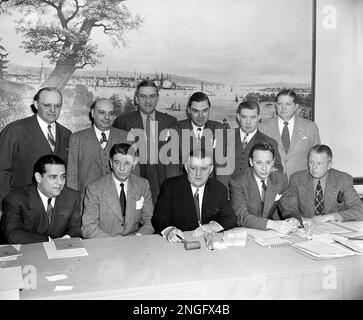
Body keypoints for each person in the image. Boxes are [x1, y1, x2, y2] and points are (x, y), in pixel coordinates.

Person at [0, 87, 71, 214]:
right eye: (47, 105)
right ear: (36, 105)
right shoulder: (15, 130)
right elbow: (2, 170)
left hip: (55, 210)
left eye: (57, 106)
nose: (53, 110)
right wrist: (4, 206)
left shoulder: (67, 134)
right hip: (21, 207)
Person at [113, 80, 177, 204]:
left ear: (157, 98)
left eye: (152, 96)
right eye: (143, 96)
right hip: (132, 182)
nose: (148, 101)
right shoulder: (122, 122)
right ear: (136, 99)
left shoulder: (171, 122)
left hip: (162, 184)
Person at [152, 148, 237, 242]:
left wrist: (212, 226)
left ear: (211, 169)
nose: (198, 173)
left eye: (204, 168)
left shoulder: (219, 189)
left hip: (209, 242)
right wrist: (169, 230)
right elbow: (159, 216)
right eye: (193, 168)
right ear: (186, 167)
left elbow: (230, 218)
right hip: (180, 242)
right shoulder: (170, 186)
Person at [0, 155, 81, 244]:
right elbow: (12, 235)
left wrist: (65, 239)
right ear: (38, 177)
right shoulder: (15, 199)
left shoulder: (73, 197)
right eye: (53, 177)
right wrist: (49, 241)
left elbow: (76, 228)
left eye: (63, 176)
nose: (60, 182)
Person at [66, 98, 136, 198]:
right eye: (102, 113)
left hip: (119, 202)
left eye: (110, 113)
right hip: (87, 202)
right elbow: (72, 176)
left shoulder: (126, 137)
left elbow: (134, 174)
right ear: (93, 113)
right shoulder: (77, 138)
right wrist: (73, 204)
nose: (107, 117)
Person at [82, 143, 154, 238]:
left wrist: (138, 237)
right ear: (111, 163)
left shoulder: (143, 185)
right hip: (105, 243)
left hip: (135, 242)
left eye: (127, 163)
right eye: (117, 163)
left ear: (134, 164)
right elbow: (88, 226)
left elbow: (149, 221)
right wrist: (113, 243)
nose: (122, 168)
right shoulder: (94, 189)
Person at [280, 144, 363, 225]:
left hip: (334, 228)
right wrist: (299, 220)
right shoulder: (297, 179)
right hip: (306, 228)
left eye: (319, 164)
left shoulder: (343, 179)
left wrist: (329, 217)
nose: (314, 168)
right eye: (311, 162)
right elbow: (288, 207)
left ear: (329, 165)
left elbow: (359, 210)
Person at [166, 91, 231, 187]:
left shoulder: (220, 129)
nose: (200, 116)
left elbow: (221, 168)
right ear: (188, 110)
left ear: (209, 110)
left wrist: (221, 195)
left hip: (210, 189)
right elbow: (173, 167)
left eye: (204, 111)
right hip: (184, 188)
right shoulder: (176, 129)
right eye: (195, 111)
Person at [229, 143, 296, 234]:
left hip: (271, 234)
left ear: (273, 162)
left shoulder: (280, 179)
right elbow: (242, 217)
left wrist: (294, 219)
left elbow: (289, 207)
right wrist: (272, 225)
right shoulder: (238, 182)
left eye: (268, 162)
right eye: (259, 163)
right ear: (251, 162)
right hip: (246, 232)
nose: (264, 168)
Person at [259, 89, 320, 178]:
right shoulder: (263, 127)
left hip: (302, 182)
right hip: (273, 181)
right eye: (280, 104)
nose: (283, 108)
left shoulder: (310, 127)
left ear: (296, 106)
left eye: (288, 104)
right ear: (276, 106)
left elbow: (317, 156)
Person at [231, 100, 282, 179]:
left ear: (259, 118)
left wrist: (273, 169)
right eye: (244, 117)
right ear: (238, 117)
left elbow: (278, 170)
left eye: (253, 117)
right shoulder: (223, 137)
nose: (248, 122)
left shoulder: (270, 142)